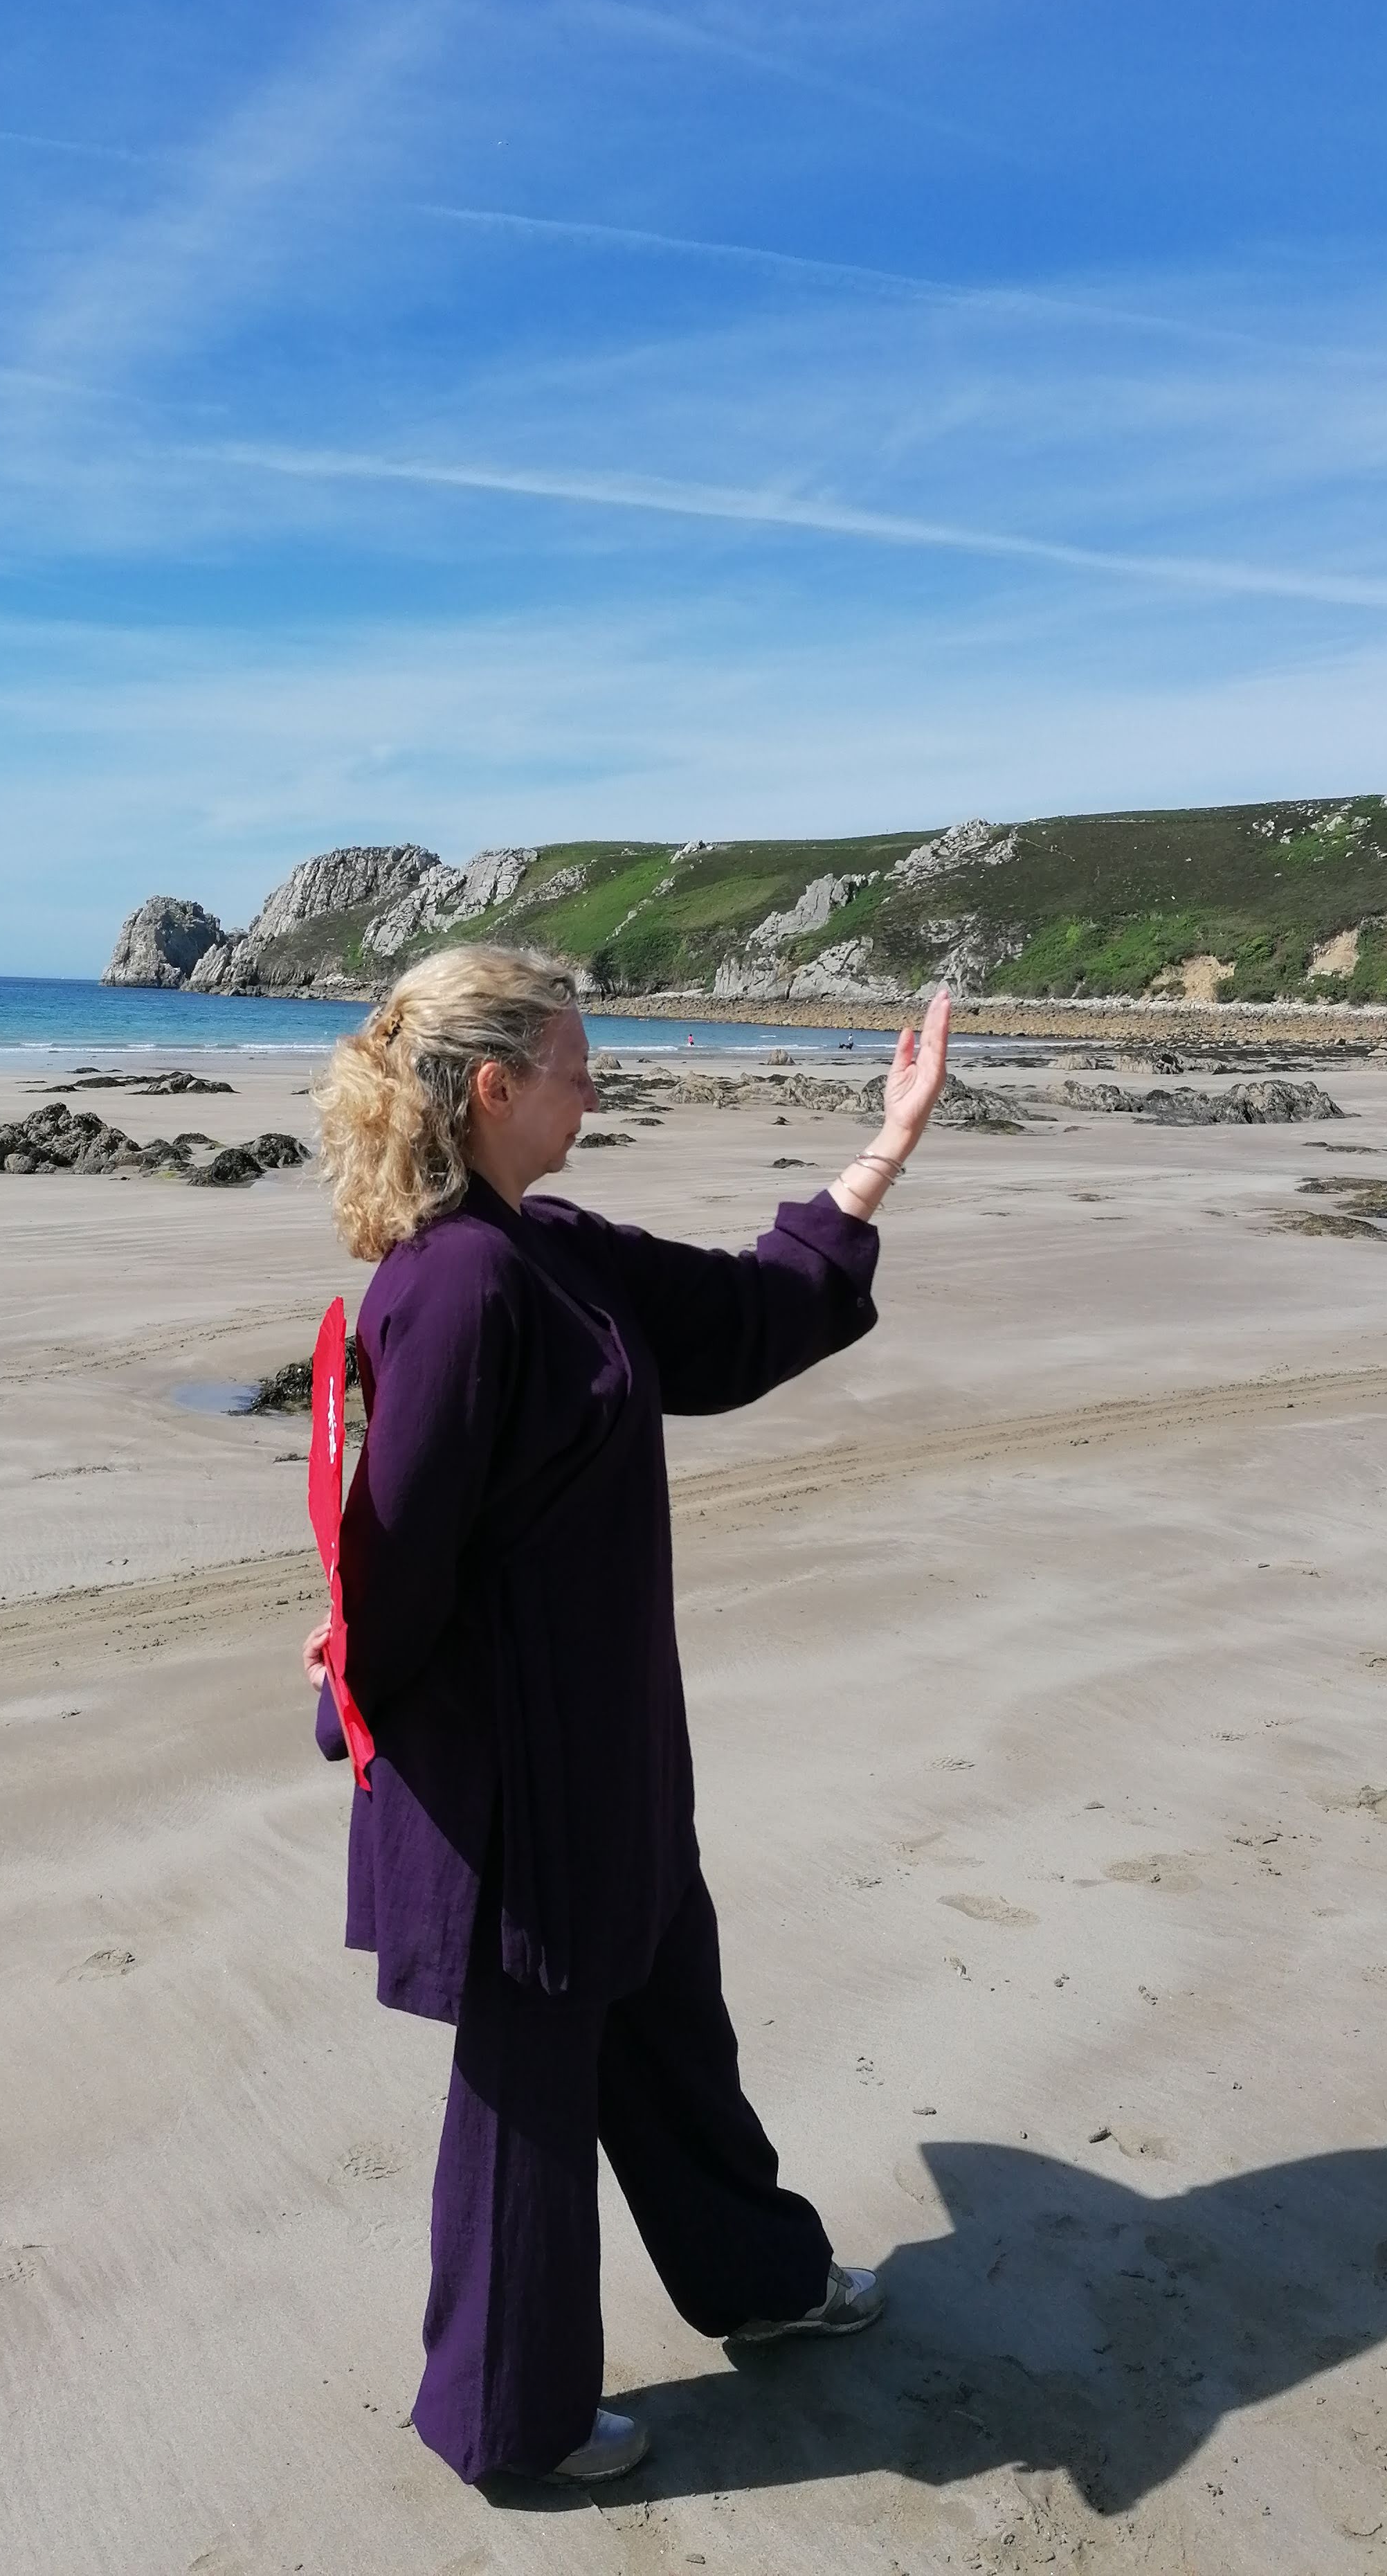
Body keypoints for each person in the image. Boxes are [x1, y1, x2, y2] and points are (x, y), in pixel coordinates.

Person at [302, 946, 953, 2489]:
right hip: (524, 1792)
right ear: (493, 1086)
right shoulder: (454, 1285)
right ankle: (505, 2418)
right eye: (577, 1062)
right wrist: (347, 1692)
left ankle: (766, 2283)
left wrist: (886, 1146)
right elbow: (394, 1545)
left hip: (618, 1758)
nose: (600, 1084)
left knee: (669, 2024)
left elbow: (734, 1321)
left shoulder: (562, 1245)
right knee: (528, 2100)